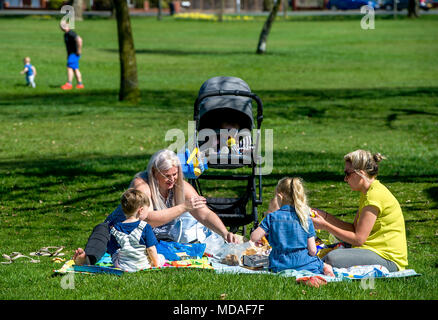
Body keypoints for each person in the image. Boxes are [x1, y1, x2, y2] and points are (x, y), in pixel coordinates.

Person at [74, 149, 239, 266]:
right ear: (154, 172)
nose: (172, 180)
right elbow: (147, 219)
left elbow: (204, 214)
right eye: (166, 176)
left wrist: (225, 233)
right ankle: (86, 259)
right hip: (120, 231)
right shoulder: (142, 186)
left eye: (175, 174)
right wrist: (183, 207)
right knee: (102, 232)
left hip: (148, 239)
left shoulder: (181, 187)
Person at [310, 150, 408, 272]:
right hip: (373, 250)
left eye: (348, 173)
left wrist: (325, 226)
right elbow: (353, 229)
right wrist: (324, 216)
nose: (345, 179)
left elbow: (358, 239)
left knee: (331, 258)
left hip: (388, 260)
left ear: (360, 173)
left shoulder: (374, 197)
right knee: (327, 251)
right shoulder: (368, 192)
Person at [250, 177, 334, 276]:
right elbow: (312, 251)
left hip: (279, 264)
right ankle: (328, 273)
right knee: (324, 265)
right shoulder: (305, 218)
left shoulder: (272, 218)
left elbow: (254, 237)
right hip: (305, 264)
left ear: (279, 197)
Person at [108, 188, 165, 272]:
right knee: (161, 257)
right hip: (143, 265)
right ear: (141, 210)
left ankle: (119, 266)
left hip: (122, 266)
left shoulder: (115, 228)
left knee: (116, 254)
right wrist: (156, 265)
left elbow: (112, 249)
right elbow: (151, 249)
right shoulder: (145, 227)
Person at [59, 22, 84, 90]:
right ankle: (80, 84)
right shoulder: (66, 34)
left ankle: (69, 84)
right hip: (71, 54)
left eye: (64, 25)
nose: (62, 27)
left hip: (74, 53)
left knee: (69, 67)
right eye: (61, 26)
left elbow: (79, 39)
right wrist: (68, 54)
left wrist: (79, 50)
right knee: (75, 69)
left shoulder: (71, 33)